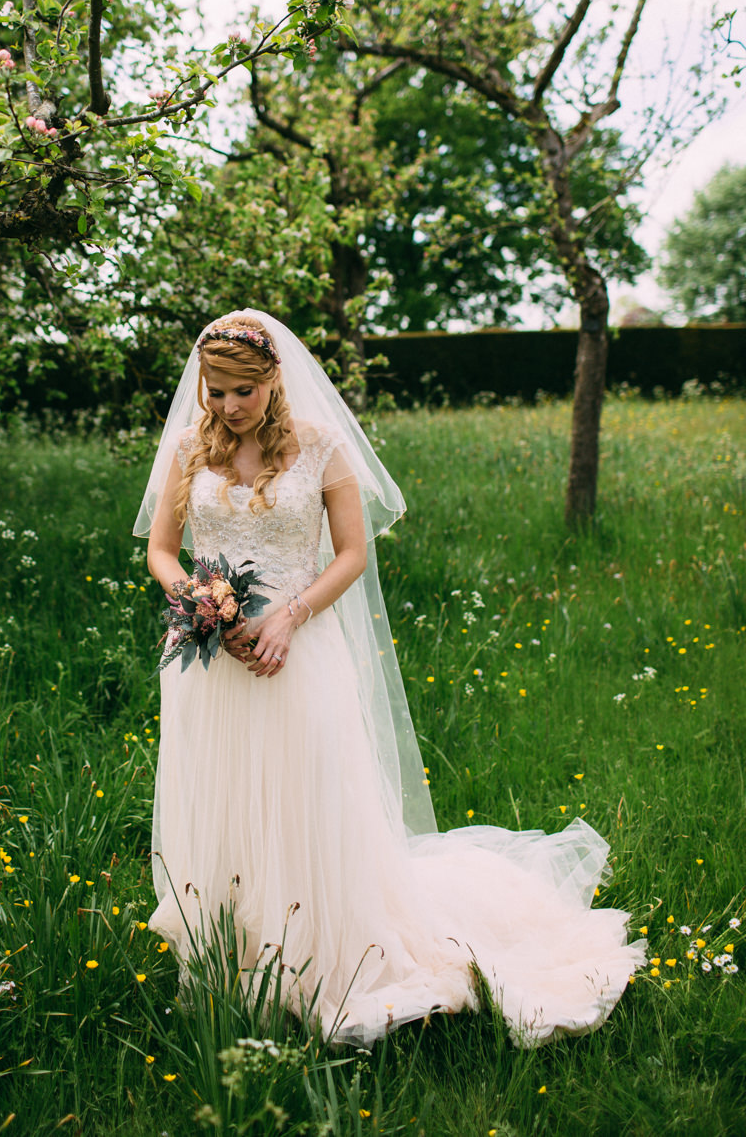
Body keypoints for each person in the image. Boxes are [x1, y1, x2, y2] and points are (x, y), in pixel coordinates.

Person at [135, 310, 645, 1047]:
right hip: (211, 658)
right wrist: (196, 601)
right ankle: (230, 959)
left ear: (273, 381)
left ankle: (324, 957)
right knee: (222, 797)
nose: (227, 407)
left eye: (242, 391)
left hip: (295, 652)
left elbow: (350, 554)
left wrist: (288, 617)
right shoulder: (188, 449)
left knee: (304, 799)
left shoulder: (319, 447)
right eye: (215, 392)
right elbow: (161, 550)